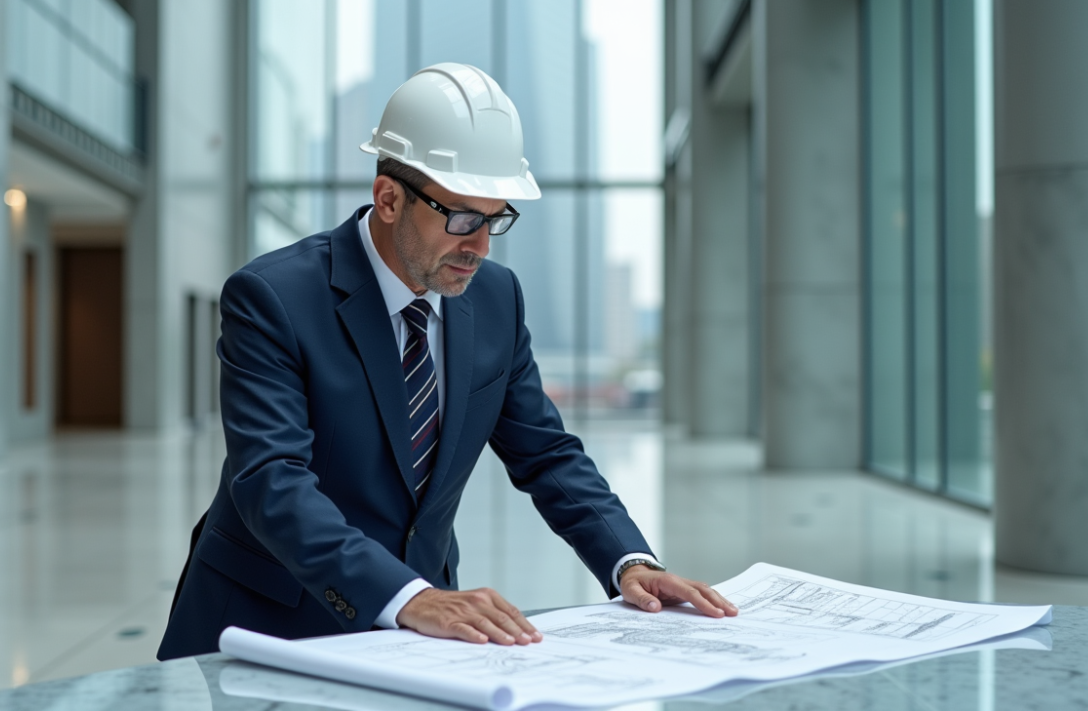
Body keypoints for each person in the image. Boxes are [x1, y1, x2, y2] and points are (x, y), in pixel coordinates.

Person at [157, 63, 736, 660]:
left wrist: (628, 560)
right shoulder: (273, 297)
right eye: (462, 219)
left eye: (496, 220)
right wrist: (405, 595)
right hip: (269, 622)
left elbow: (546, 452)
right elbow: (271, 482)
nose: (480, 247)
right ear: (388, 199)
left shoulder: (496, 300)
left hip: (427, 629)